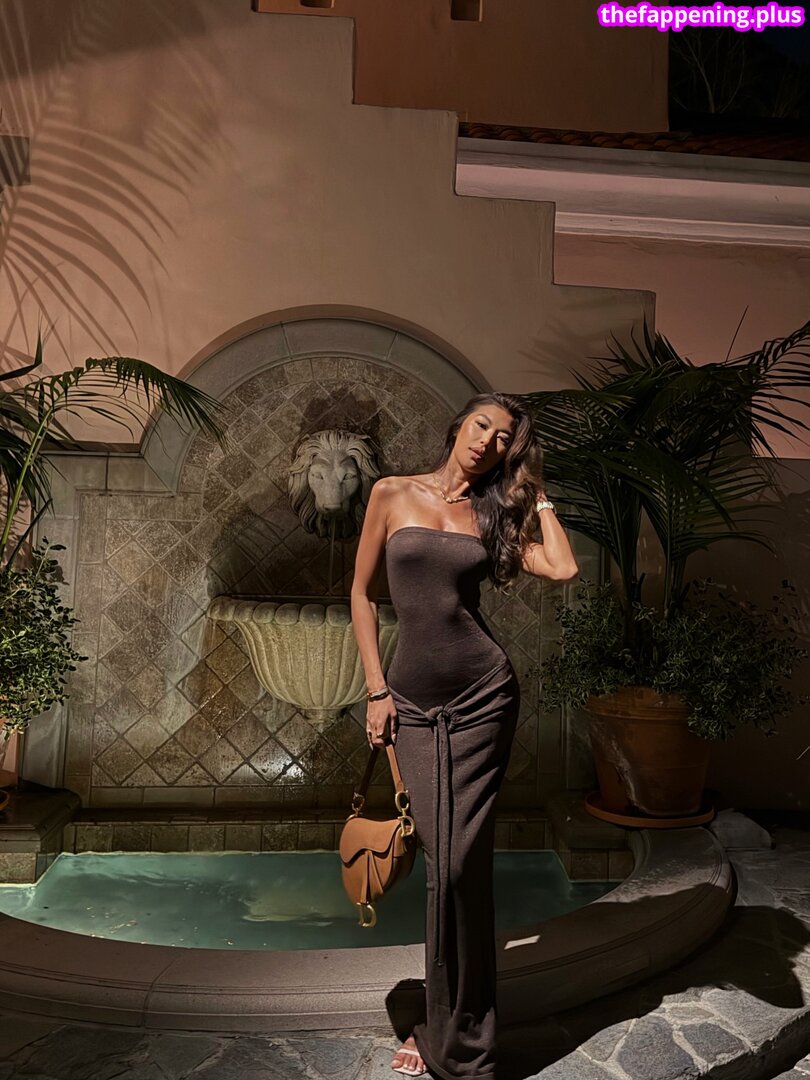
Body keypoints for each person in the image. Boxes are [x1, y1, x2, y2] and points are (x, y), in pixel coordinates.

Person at [350, 392, 579, 1080]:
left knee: (461, 867)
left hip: (483, 698)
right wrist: (376, 689)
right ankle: (450, 1021)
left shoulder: (491, 513)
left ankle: (458, 1036)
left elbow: (562, 567)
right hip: (411, 703)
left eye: (504, 438)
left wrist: (537, 495)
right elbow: (361, 594)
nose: (488, 441)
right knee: (443, 867)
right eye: (482, 425)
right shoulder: (392, 493)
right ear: (459, 426)